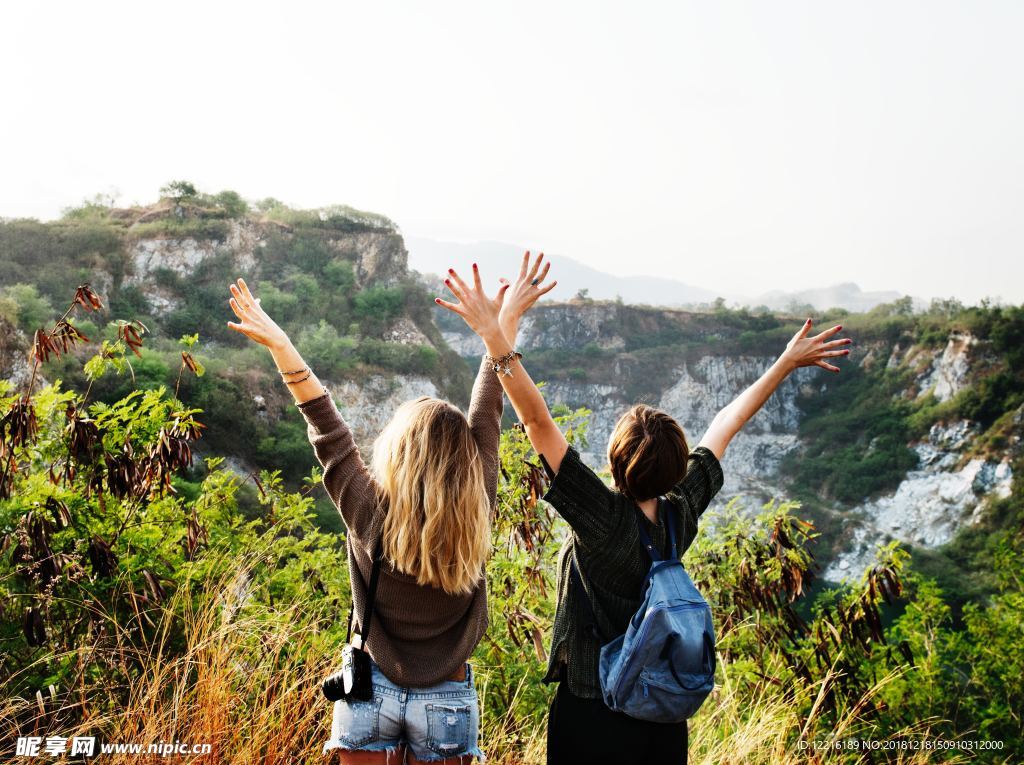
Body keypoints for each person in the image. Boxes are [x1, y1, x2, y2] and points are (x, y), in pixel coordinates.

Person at [436, 256, 851, 765]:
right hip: (662, 713)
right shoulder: (682, 513)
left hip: (593, 708)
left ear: (615, 458)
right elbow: (725, 425)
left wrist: (493, 336)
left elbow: (537, 421)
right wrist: (784, 363)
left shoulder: (603, 518)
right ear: (677, 468)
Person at [225, 263, 554, 765]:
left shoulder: (366, 507)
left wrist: (281, 346)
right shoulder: (478, 498)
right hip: (447, 695)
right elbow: (488, 408)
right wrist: (499, 328)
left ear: (397, 452)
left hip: (368, 691)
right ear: (467, 459)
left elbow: (324, 423)